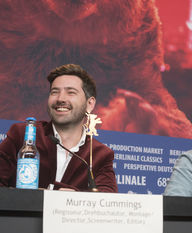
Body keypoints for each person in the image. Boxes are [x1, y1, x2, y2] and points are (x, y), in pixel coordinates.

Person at [0, 64, 118, 192]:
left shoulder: (101, 154)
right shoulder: (24, 134)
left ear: (89, 104)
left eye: (71, 92)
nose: (61, 99)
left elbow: (106, 200)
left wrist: (72, 199)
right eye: (54, 92)